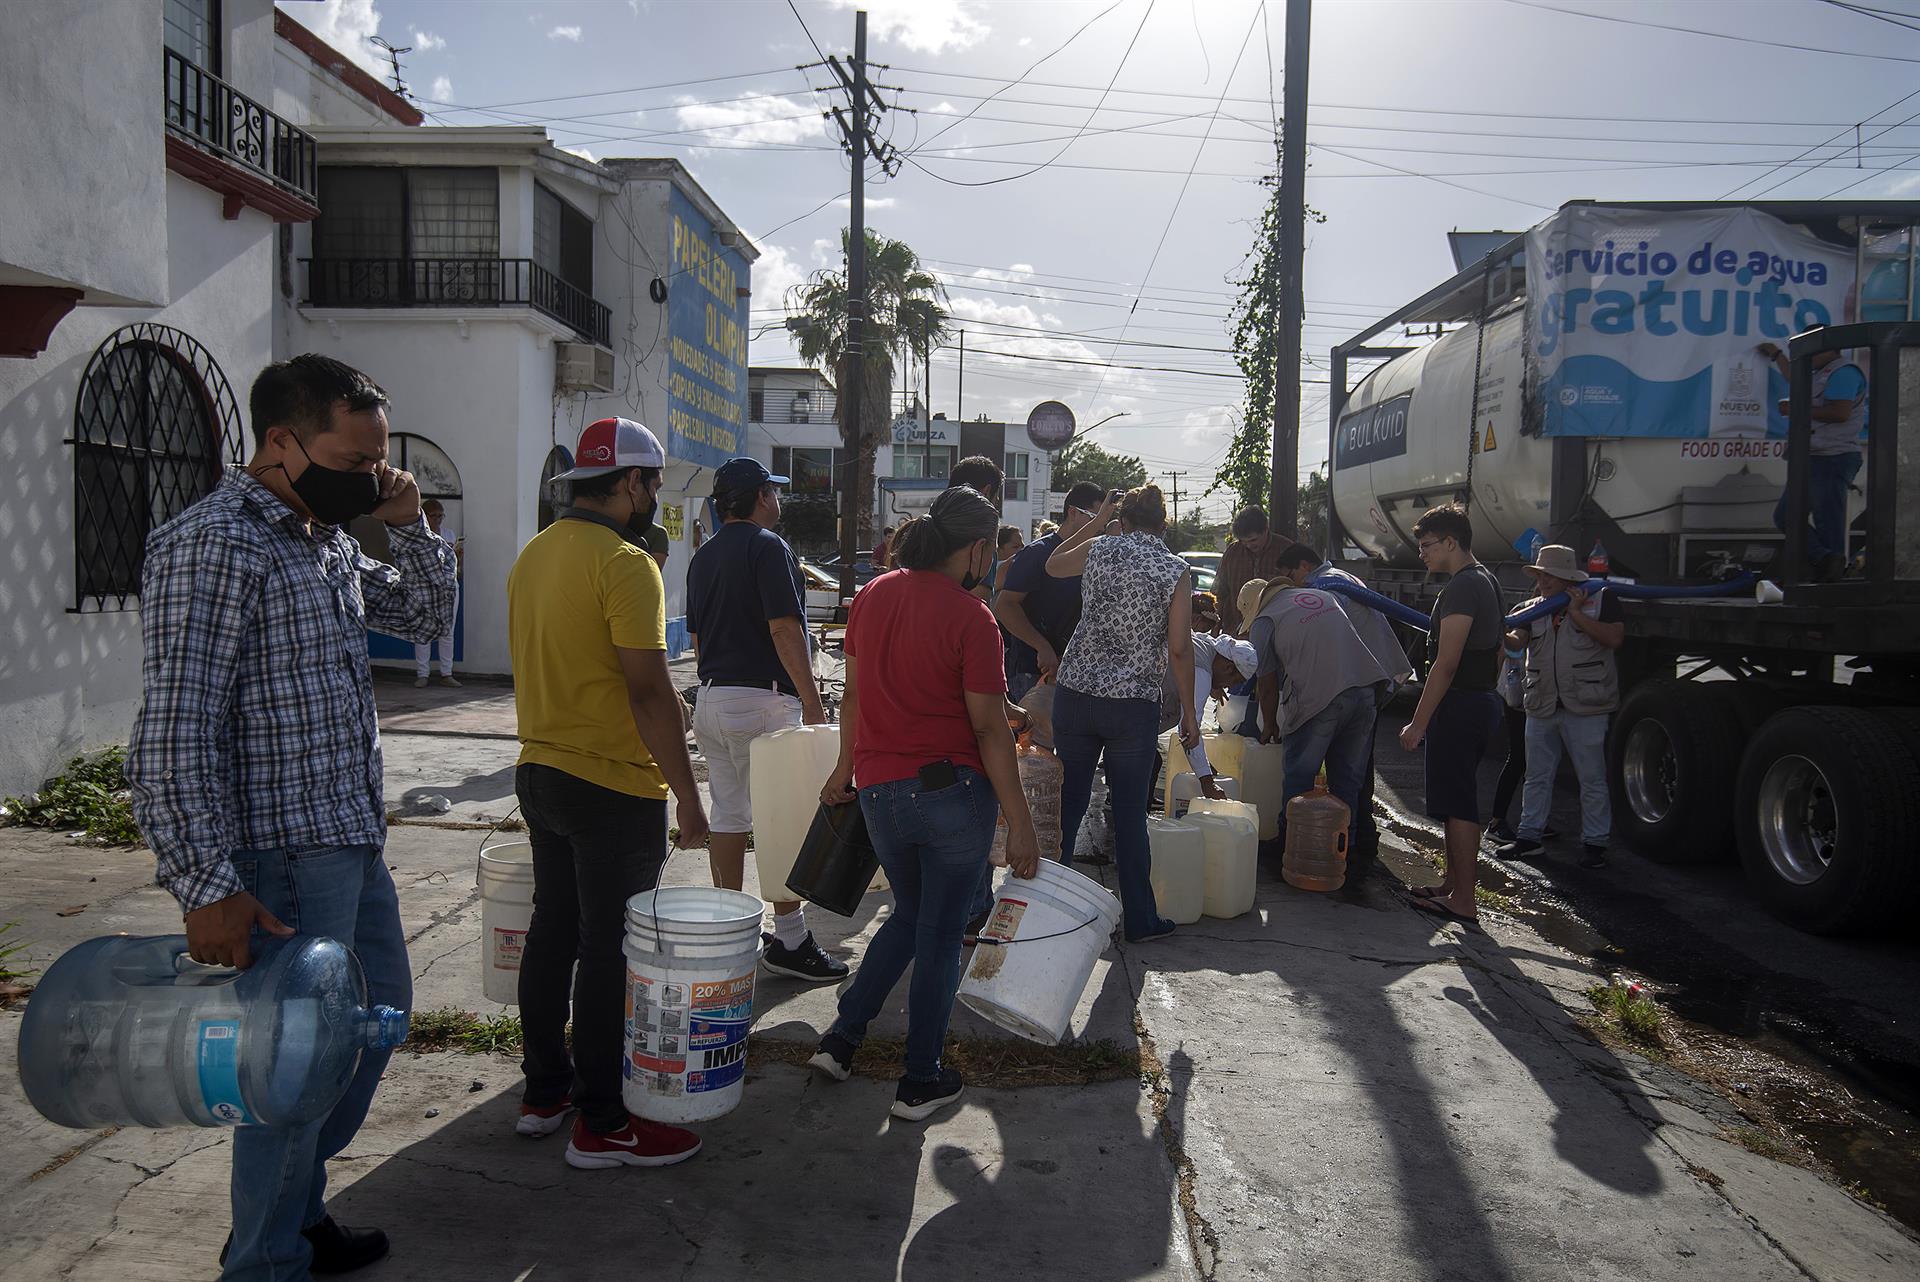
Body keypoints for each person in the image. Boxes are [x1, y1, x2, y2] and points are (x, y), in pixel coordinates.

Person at [127, 354, 456, 1279]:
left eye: (379, 461)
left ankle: (296, 1214)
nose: (370, 476)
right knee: (295, 1071)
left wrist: (410, 521)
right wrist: (205, 885)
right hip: (278, 862)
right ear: (281, 442)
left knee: (376, 1023)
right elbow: (172, 733)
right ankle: (263, 1261)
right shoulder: (217, 542)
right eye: (355, 459)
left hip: (350, 840)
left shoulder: (327, 539)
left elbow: (427, 616)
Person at [506, 416, 711, 1170]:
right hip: (611, 784)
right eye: (652, 483)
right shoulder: (628, 562)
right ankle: (603, 1123)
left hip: (540, 771)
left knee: (552, 932)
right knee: (606, 953)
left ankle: (543, 1094)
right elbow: (650, 692)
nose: (653, 495)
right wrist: (689, 797)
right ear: (631, 484)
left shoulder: (535, 553)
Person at [811, 486, 1042, 1121]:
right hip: (950, 795)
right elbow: (990, 729)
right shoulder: (973, 617)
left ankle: (841, 1039)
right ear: (975, 549)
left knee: (911, 917)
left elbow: (854, 697)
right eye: (990, 552)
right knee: (939, 935)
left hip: (880, 792)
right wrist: (1019, 823)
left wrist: (843, 769)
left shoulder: (873, 595)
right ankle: (920, 1078)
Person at [686, 457, 847, 982]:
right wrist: (813, 699)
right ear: (760, 497)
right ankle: (791, 940)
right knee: (782, 822)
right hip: (763, 700)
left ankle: (729, 929)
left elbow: (696, 638)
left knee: (730, 813)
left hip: (711, 696)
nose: (778, 501)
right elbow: (784, 630)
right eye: (773, 493)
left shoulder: (704, 556)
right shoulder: (767, 546)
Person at [1048, 485, 1199, 942]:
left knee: (1068, 805)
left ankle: (1048, 908)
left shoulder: (1098, 548)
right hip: (1132, 704)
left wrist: (1098, 522)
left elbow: (1053, 565)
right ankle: (1140, 918)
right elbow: (1178, 648)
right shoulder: (1174, 569)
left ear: (1124, 519)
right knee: (1131, 814)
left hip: (1075, 693)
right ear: (1163, 523)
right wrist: (1190, 711)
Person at [1250, 544, 1399, 850]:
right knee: (1347, 784)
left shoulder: (1265, 620)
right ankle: (1345, 853)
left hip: (1321, 699)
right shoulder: (1323, 596)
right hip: (1365, 692)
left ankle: (1289, 849)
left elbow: (1266, 684)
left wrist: (1269, 726)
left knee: (1299, 778)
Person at [1400, 504, 1505, 928]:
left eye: (1427, 546)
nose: (1422, 553)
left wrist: (1418, 722)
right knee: (1452, 802)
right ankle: (1451, 884)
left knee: (1460, 804)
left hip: (1460, 704)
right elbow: (1498, 651)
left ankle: (1463, 900)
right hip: (1477, 700)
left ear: (1450, 542)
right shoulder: (1487, 581)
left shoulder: (1464, 587)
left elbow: (1446, 662)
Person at [1494, 544, 1623, 870]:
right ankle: (1529, 838)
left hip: (1586, 705)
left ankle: (1595, 843)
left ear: (1567, 577)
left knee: (1591, 777)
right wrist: (1498, 631)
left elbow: (1614, 639)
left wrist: (1576, 614)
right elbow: (1516, 643)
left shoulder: (1601, 599)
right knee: (1536, 775)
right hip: (1542, 704)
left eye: (1549, 575)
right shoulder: (1530, 608)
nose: (1543, 581)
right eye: (1540, 575)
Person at [1761, 336, 1867, 581]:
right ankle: (1825, 560)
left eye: (1810, 351)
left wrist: (1797, 410)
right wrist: (1776, 355)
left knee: (1827, 521)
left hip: (1833, 457)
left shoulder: (1843, 373)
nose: (1806, 358)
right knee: (1787, 516)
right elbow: (1794, 377)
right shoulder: (1817, 371)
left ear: (1827, 348)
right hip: (1811, 457)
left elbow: (1839, 413)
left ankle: (1833, 577)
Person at [995, 481, 1106, 703]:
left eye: (1105, 518)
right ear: (1072, 512)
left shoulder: (1096, 557)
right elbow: (1004, 606)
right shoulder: (1038, 553)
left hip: (1077, 675)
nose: (1101, 526)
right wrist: (1041, 646)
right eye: (1096, 517)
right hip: (1034, 671)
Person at [1216, 506, 1295, 636]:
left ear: (1266, 529)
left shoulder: (1286, 549)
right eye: (1243, 541)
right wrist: (1215, 628)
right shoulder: (1232, 552)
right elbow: (1219, 593)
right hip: (1235, 633)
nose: (1249, 545)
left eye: (1253, 540)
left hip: (1274, 633)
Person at [413, 498, 462, 688]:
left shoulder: (448, 534)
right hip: (424, 587)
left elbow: (456, 568)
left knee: (447, 631)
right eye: (434, 516)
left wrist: (457, 557)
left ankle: (446, 673)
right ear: (425, 516)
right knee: (423, 630)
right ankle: (422, 673)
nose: (438, 520)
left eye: (441, 516)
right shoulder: (418, 537)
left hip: (448, 586)